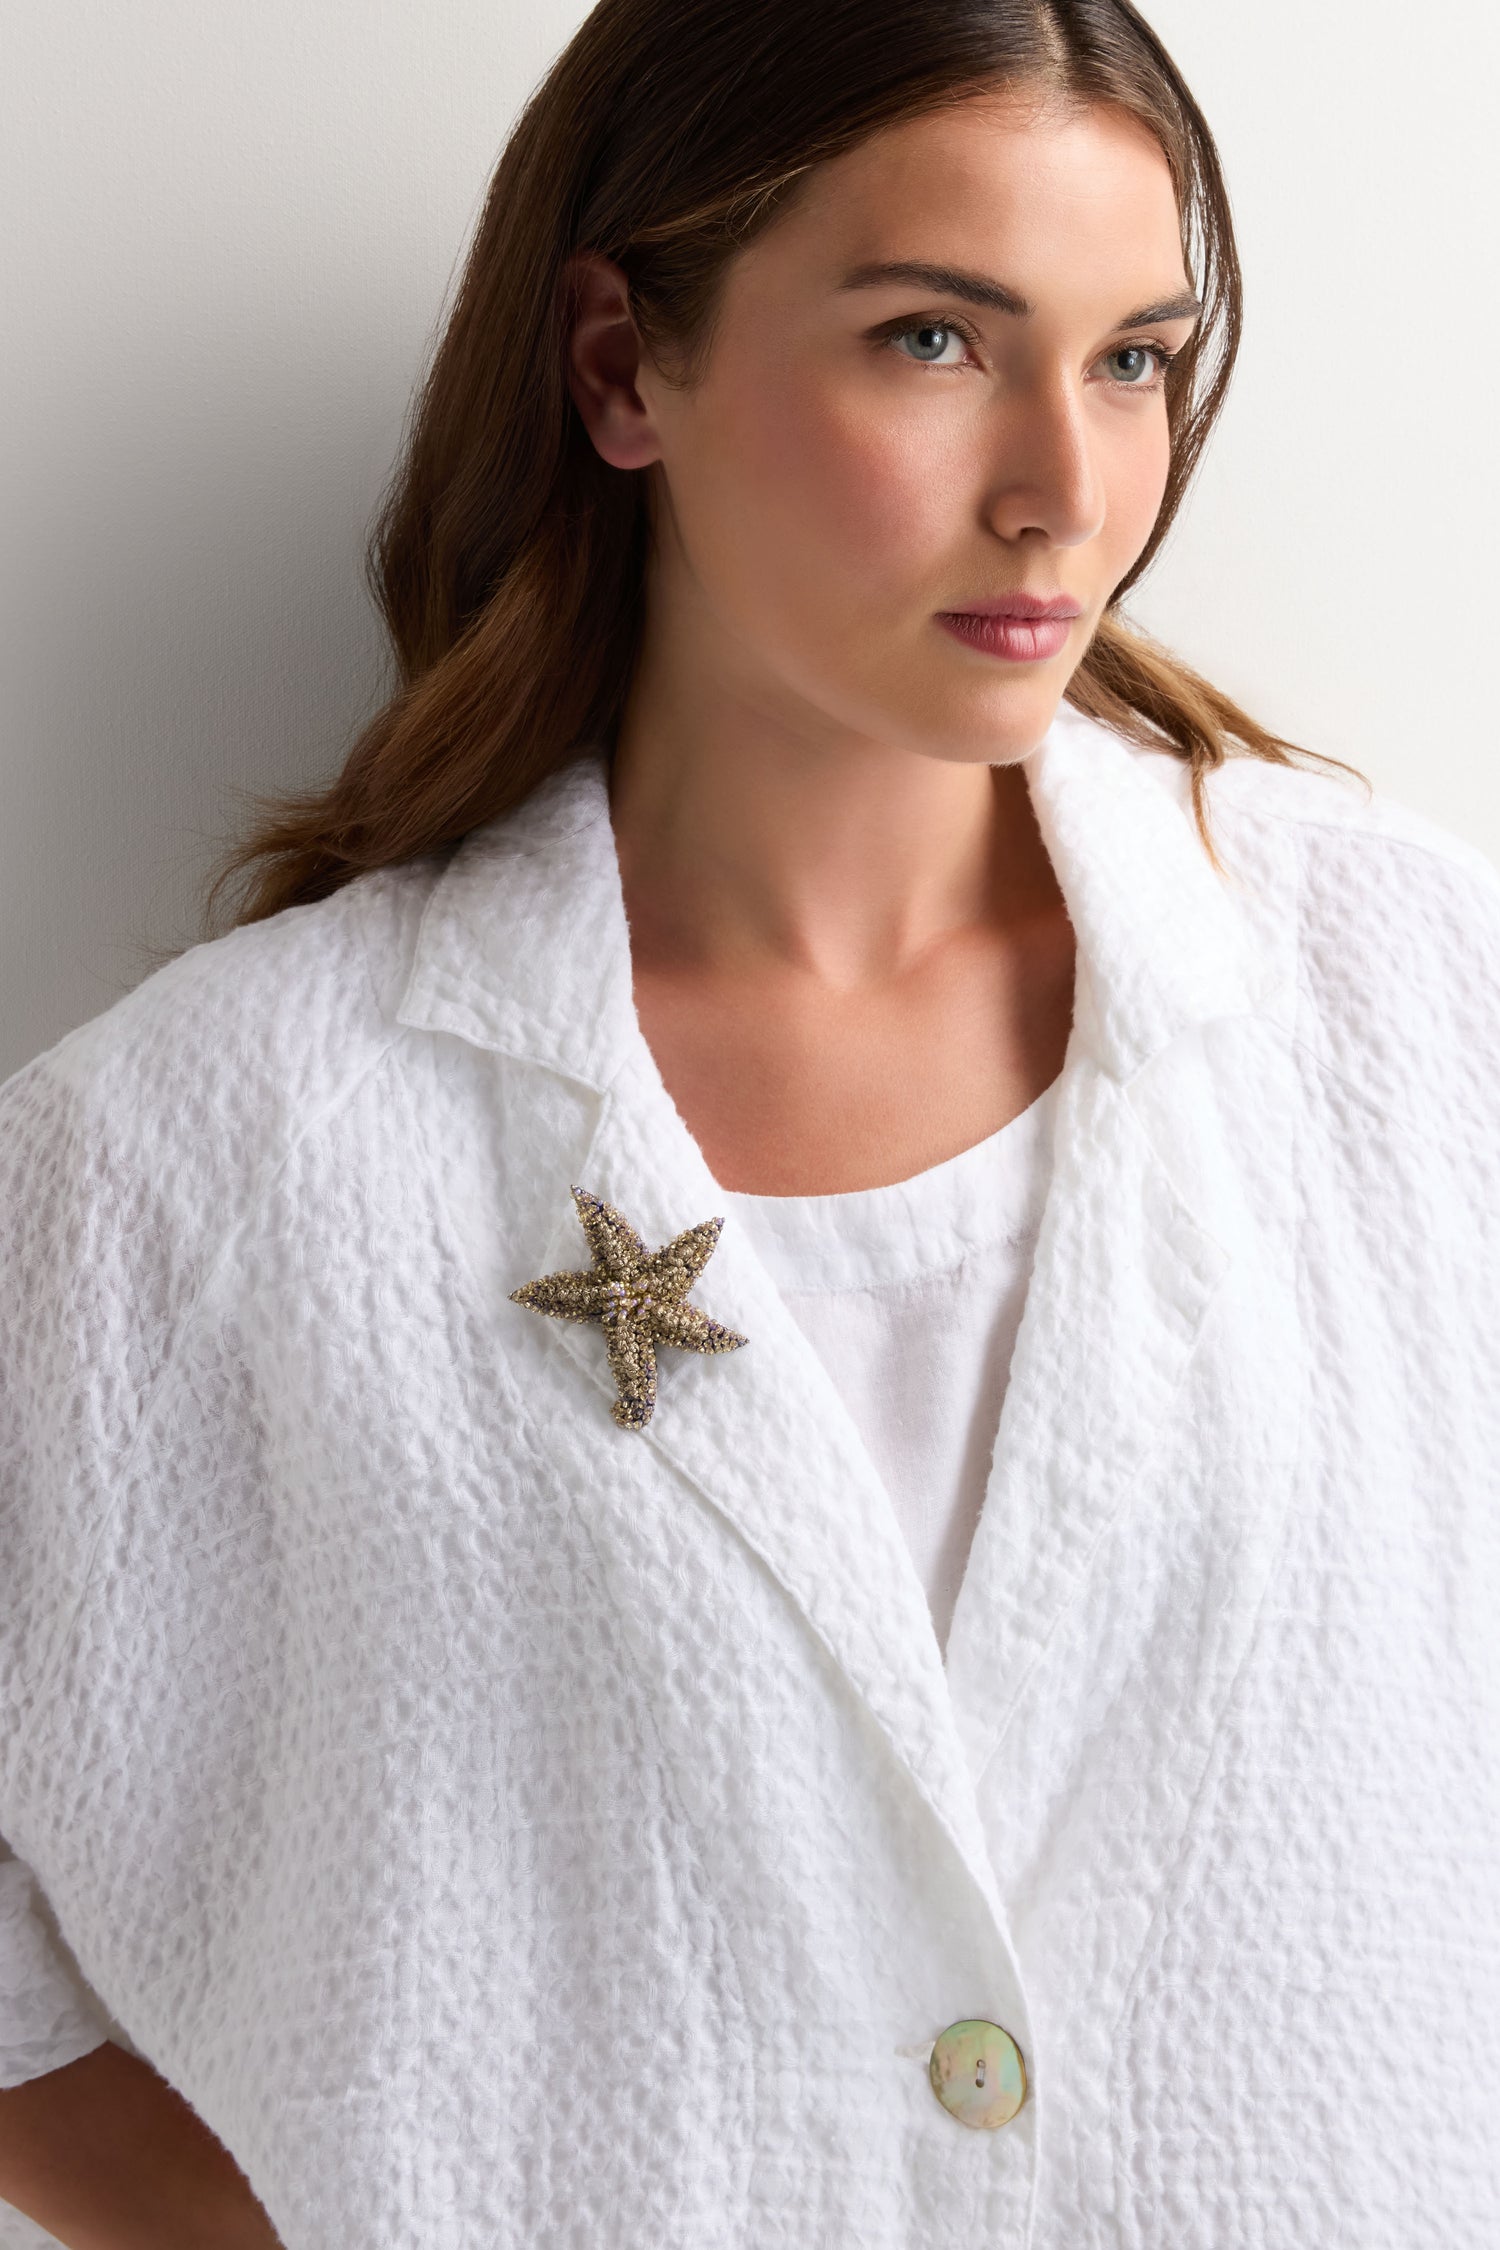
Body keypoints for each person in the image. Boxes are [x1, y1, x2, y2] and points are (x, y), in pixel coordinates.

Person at [2, 0, 1497, 2243]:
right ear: (621, 365)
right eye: (931, 339)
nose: (1066, 493)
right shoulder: (192, 1167)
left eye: (1132, 358)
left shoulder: (1415, 1012)